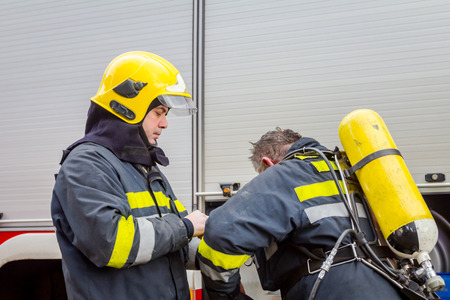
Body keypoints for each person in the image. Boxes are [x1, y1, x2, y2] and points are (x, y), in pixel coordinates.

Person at [51, 51, 208, 300]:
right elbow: (110, 244)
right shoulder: (87, 163)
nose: (164, 123)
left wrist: (231, 242)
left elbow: (173, 241)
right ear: (128, 108)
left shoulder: (143, 166)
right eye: (158, 112)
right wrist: (186, 226)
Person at [197, 127, 409, 299]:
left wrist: (229, 295)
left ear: (267, 164)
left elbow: (221, 234)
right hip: (390, 284)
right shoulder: (347, 170)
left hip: (329, 290)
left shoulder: (284, 174)